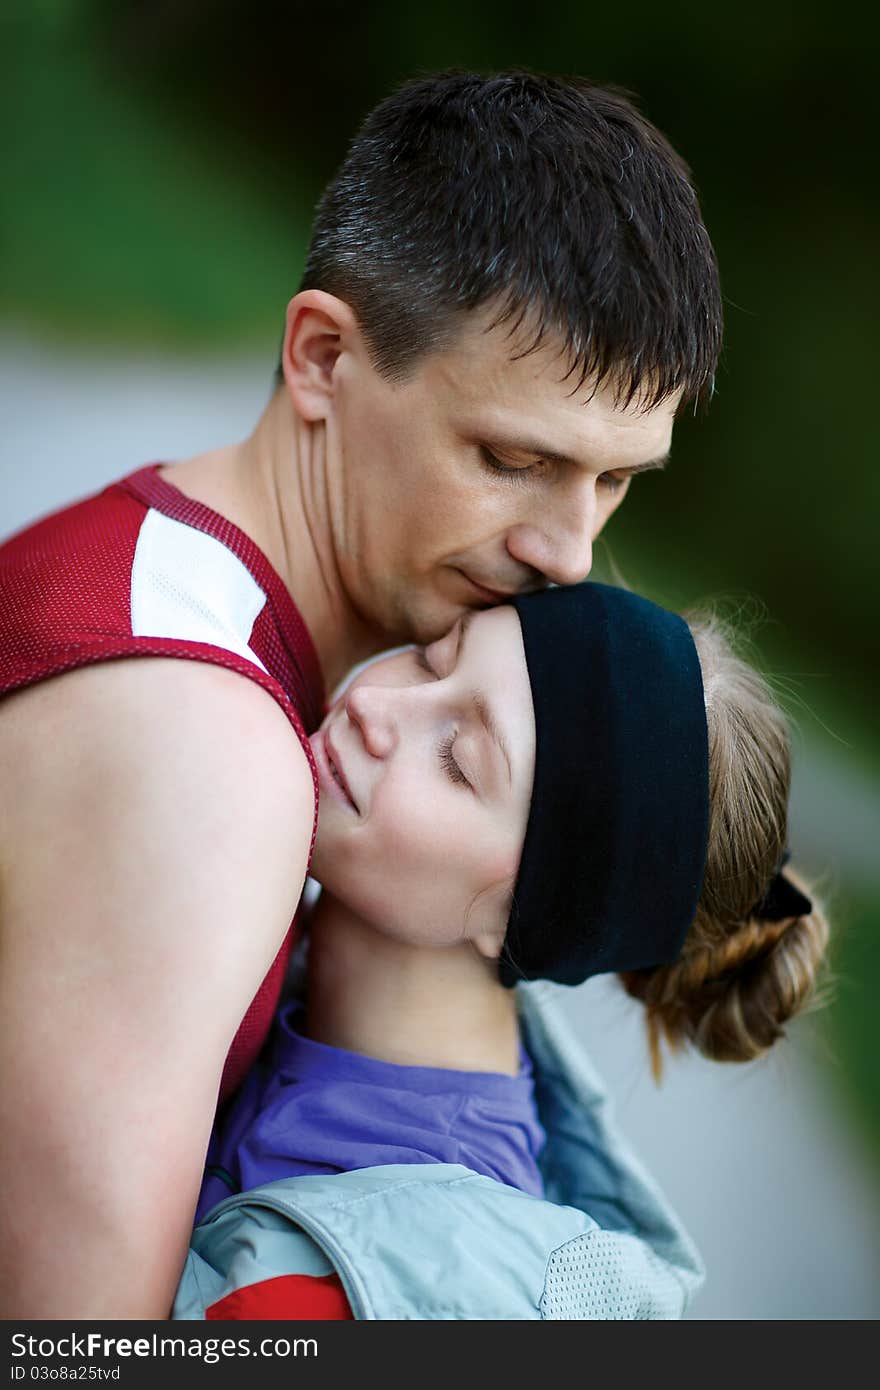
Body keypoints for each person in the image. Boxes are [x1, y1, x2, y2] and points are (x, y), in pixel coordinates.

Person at [0, 72, 722, 1316]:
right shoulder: (208, 752)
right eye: (513, 459)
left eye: (614, 483)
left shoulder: (154, 547)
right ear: (323, 357)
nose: (567, 550)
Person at [173, 584, 829, 1319]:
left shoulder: (380, 1295)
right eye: (431, 660)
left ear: (535, 919)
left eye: (459, 759)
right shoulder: (244, 916)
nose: (375, 707)